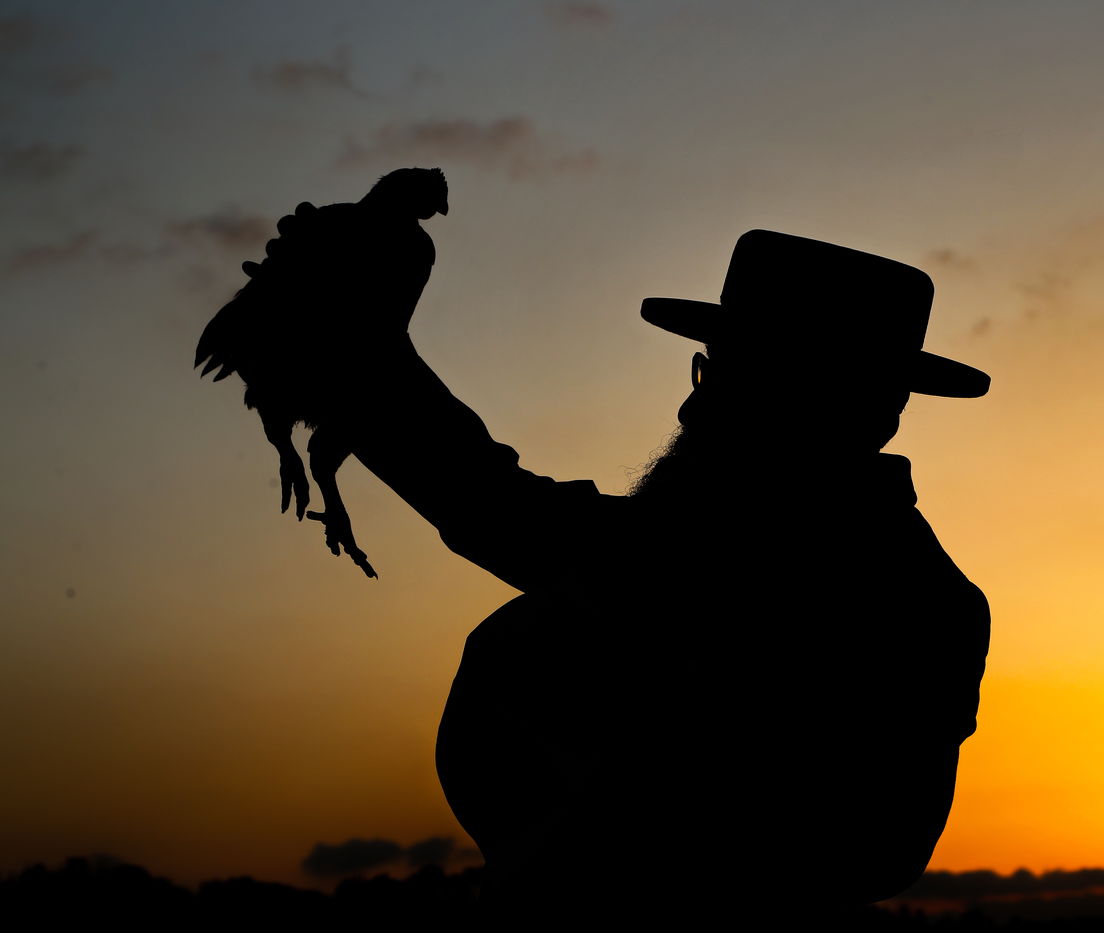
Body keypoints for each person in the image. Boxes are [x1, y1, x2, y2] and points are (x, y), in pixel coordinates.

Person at [287, 229, 991, 924]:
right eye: (705, 372)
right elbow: (501, 509)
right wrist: (364, 352)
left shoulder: (884, 596)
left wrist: (362, 354)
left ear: (834, 405)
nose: (692, 407)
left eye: (731, 380)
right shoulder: (897, 590)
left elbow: (502, 512)